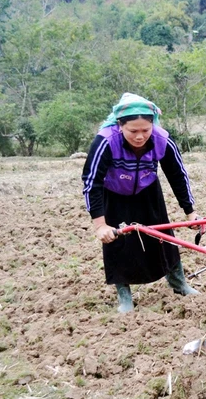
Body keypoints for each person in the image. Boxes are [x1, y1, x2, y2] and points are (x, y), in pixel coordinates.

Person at [82, 92, 199, 313]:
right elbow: (91, 182)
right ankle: (124, 296)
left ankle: (179, 284)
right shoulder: (106, 141)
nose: (139, 136)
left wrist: (190, 212)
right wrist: (100, 225)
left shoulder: (161, 138)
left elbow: (177, 175)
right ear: (120, 125)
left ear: (152, 125)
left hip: (148, 192)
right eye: (132, 131)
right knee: (117, 242)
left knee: (164, 238)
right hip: (114, 194)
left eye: (145, 130)